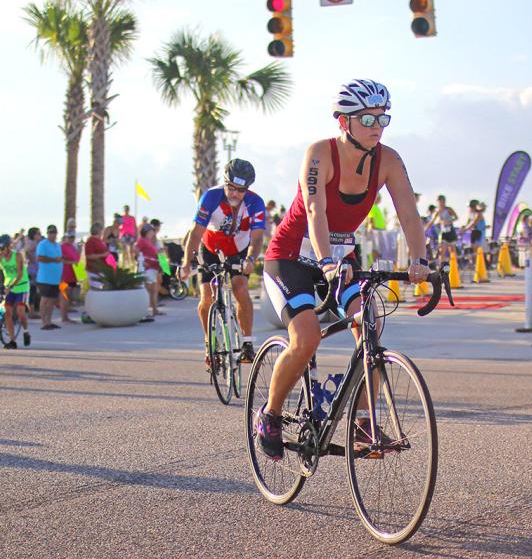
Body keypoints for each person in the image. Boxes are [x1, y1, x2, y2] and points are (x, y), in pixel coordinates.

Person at [258, 79, 428, 460]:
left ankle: (362, 420)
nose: (377, 125)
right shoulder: (319, 153)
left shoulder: (389, 159)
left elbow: (409, 213)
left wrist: (421, 261)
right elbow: (316, 210)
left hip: (340, 258)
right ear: (343, 121)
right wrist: (326, 261)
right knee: (305, 338)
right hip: (291, 256)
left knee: (370, 324)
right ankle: (269, 414)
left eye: (383, 117)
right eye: (367, 117)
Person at [181, 158, 265, 367]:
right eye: (230, 187)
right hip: (210, 248)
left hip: (239, 249)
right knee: (206, 296)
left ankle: (246, 342)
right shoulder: (211, 197)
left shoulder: (255, 202)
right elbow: (196, 233)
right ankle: (210, 342)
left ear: (248, 189)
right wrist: (186, 262)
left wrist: (251, 259)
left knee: (240, 287)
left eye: (240, 189)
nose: (234, 193)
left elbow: (256, 238)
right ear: (224, 182)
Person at [0, 234, 31, 348]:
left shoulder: (17, 256)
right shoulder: (0, 258)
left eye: (2, 249)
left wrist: (10, 286)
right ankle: (12, 340)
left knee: (20, 312)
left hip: (21, 286)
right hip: (8, 287)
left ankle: (26, 331)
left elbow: (20, 274)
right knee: (7, 313)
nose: (1, 251)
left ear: (8, 247)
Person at [36, 224, 63, 330]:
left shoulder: (57, 245)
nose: (52, 234)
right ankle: (44, 322)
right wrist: (53, 260)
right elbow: (40, 258)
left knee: (52, 300)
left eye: (54, 232)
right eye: (50, 232)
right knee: (45, 299)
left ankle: (49, 321)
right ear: (47, 233)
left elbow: (60, 259)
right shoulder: (43, 244)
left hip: (55, 279)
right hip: (45, 278)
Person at [136, 223, 162, 316]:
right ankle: (145, 311)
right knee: (148, 289)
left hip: (154, 267)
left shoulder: (149, 241)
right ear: (146, 231)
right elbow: (135, 249)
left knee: (154, 290)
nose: (153, 232)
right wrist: (141, 260)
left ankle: (154, 309)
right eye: (151, 230)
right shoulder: (142, 240)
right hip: (148, 268)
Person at [426, 195, 458, 263]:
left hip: (450, 231)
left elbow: (456, 217)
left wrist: (449, 221)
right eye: (439, 201)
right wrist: (425, 228)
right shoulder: (437, 211)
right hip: (443, 232)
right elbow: (432, 221)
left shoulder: (448, 209)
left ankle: (454, 267)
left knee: (452, 250)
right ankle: (441, 267)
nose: (440, 203)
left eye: (442, 201)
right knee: (441, 251)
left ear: (444, 201)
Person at [60, 232, 81, 322]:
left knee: (70, 295)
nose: (71, 239)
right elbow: (61, 259)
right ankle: (64, 316)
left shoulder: (72, 247)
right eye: (69, 237)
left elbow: (76, 259)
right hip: (65, 274)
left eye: (73, 237)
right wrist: (71, 263)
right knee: (65, 295)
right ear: (65, 238)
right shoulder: (62, 247)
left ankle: (66, 314)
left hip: (73, 273)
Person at [84, 222, 111, 288]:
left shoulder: (100, 241)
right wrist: (103, 255)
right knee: (96, 289)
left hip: (102, 270)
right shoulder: (91, 241)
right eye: (102, 230)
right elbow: (89, 255)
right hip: (94, 271)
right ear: (99, 230)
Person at [365, 192, 387, 262]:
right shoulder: (372, 206)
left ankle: (378, 262)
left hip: (379, 231)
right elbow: (371, 219)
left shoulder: (376, 207)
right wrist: (372, 230)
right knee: (375, 249)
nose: (380, 199)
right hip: (375, 231)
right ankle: (376, 263)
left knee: (379, 249)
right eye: (379, 197)